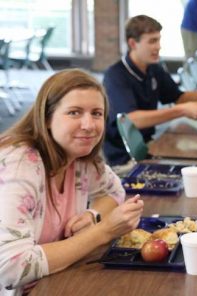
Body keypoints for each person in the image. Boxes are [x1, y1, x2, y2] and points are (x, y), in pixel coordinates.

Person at [0, 69, 144, 296]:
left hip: (56, 282)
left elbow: (114, 191)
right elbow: (11, 267)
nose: (89, 125)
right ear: (47, 118)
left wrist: (92, 216)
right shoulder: (19, 165)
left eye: (96, 113)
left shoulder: (78, 157)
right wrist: (102, 231)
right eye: (75, 112)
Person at [103, 15, 197, 168]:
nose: (158, 46)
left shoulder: (153, 68)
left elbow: (179, 97)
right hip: (125, 157)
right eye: (152, 41)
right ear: (132, 43)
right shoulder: (115, 76)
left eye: (158, 40)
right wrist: (181, 111)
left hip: (150, 145)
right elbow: (132, 120)